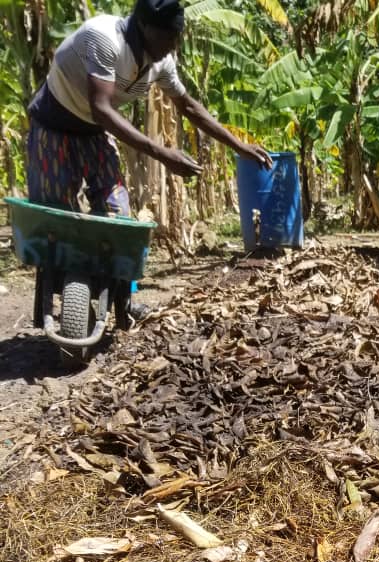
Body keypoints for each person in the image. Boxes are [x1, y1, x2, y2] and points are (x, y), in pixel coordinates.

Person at [26, 0, 272, 323]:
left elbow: (189, 106)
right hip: (53, 123)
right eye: (168, 36)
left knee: (119, 216)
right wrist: (162, 154)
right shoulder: (103, 38)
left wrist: (239, 146)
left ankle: (123, 303)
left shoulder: (161, 62)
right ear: (144, 26)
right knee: (56, 219)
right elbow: (101, 108)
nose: (174, 45)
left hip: (93, 133)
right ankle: (51, 297)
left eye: (177, 37)